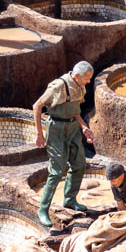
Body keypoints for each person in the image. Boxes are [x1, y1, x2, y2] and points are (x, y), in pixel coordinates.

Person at [34, 61, 95, 228]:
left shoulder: (80, 85)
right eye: (87, 78)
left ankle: (69, 199)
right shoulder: (58, 87)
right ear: (77, 76)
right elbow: (37, 106)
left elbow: (75, 112)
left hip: (73, 128)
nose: (89, 82)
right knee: (57, 170)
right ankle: (43, 209)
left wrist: (84, 128)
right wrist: (40, 133)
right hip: (56, 129)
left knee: (80, 164)